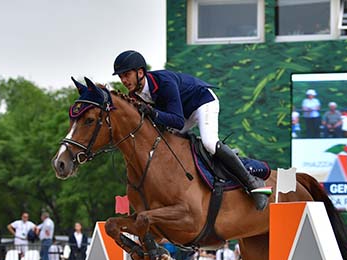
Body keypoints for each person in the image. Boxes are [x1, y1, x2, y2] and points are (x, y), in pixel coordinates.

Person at [113, 50, 272, 211]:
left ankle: (253, 183)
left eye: (126, 75)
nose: (124, 80)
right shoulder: (134, 95)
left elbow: (177, 121)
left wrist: (153, 113)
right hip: (182, 113)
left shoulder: (164, 83)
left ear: (140, 72)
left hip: (202, 103)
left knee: (209, 143)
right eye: (121, 77)